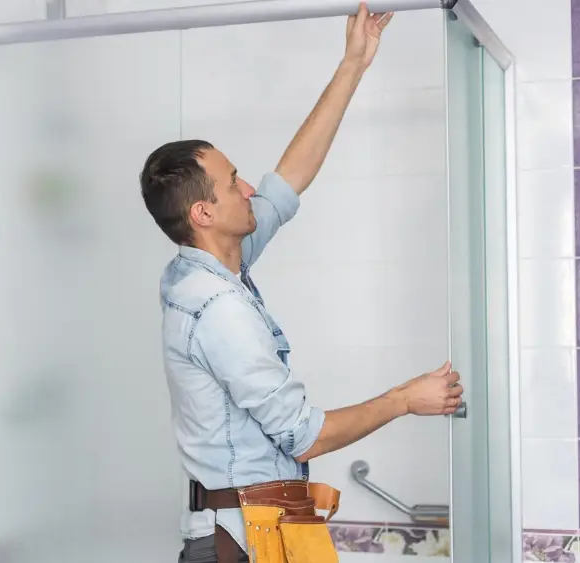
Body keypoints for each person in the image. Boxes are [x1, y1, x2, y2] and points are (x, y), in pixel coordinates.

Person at [139, 4, 464, 562]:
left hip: (268, 527)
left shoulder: (213, 262)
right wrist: (405, 399)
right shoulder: (217, 308)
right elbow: (306, 436)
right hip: (239, 544)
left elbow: (288, 181)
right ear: (203, 213)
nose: (248, 189)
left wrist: (353, 64)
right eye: (233, 182)